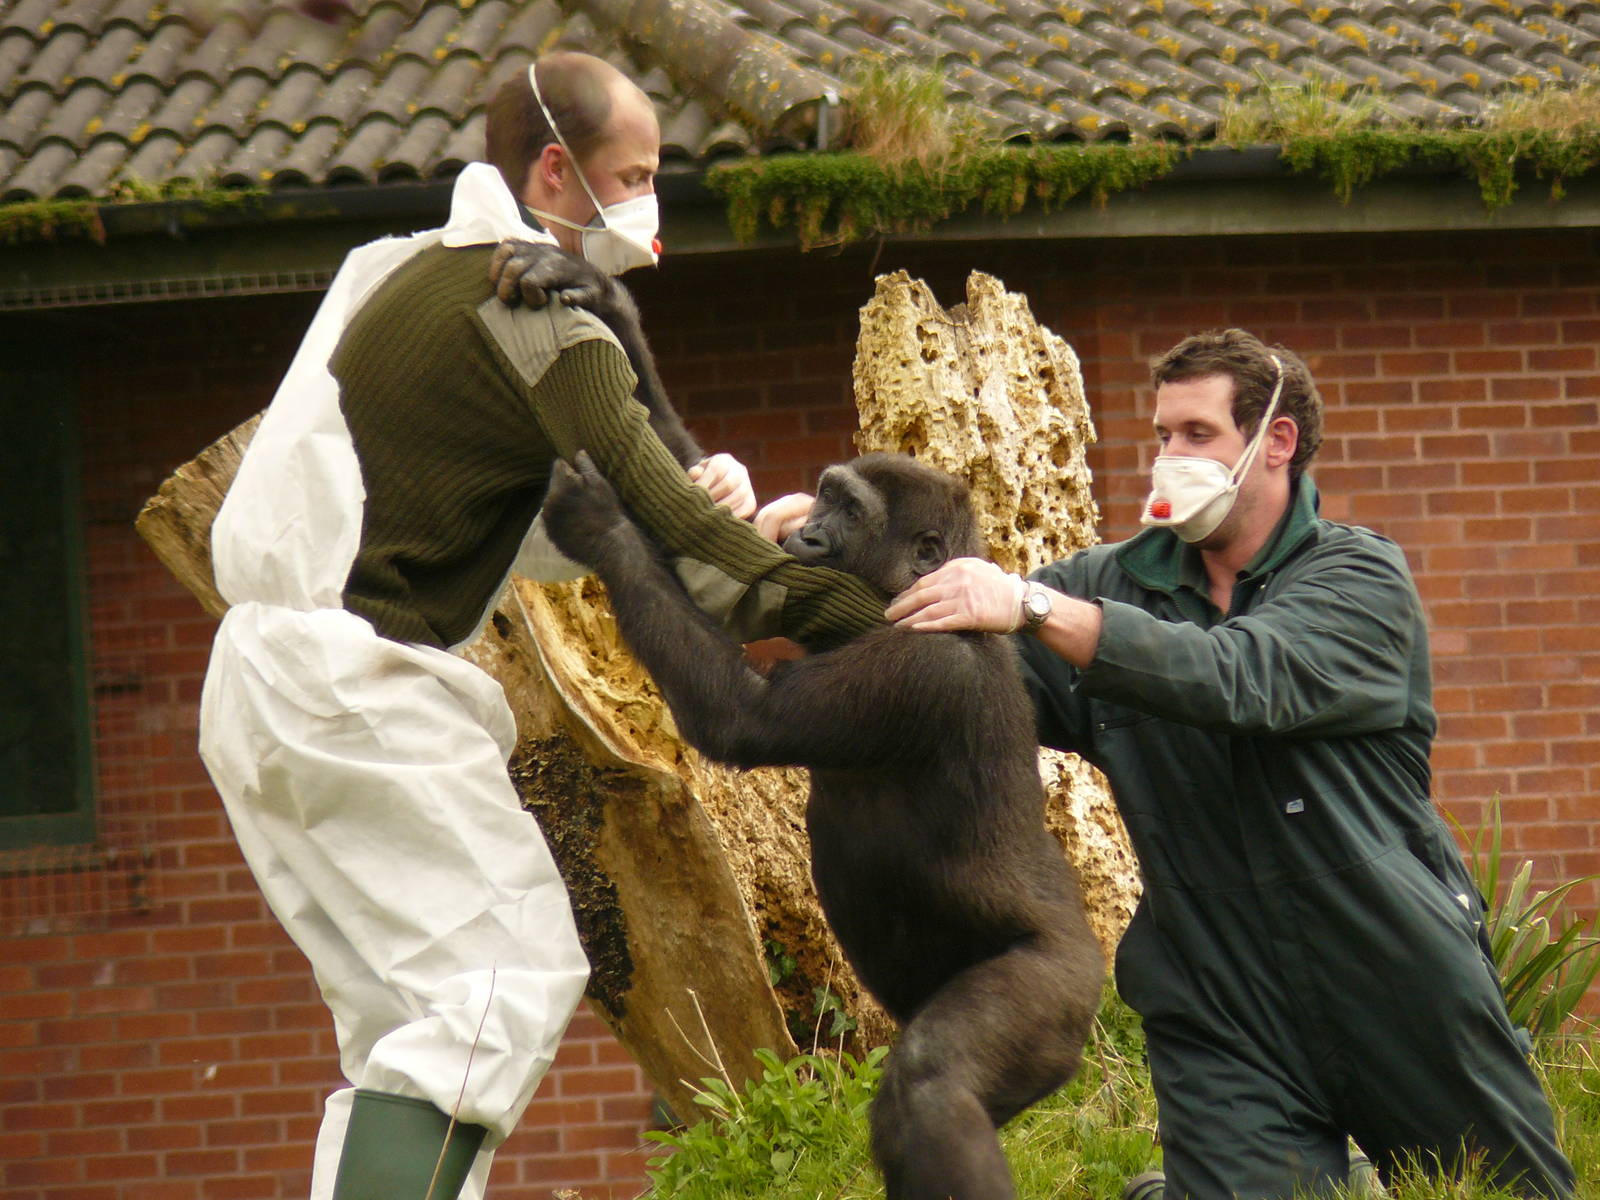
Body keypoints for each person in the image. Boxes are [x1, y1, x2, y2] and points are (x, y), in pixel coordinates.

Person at [198, 51, 882, 1200]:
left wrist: (702, 498)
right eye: (637, 175)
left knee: (408, 1027)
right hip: (355, 685)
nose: (652, 202)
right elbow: (705, 565)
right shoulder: (543, 320)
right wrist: (894, 613)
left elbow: (545, 520)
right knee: (499, 984)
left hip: (268, 679)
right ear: (557, 173)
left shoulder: (416, 272)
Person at [885, 328, 1576, 1200]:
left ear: (1276, 441)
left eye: (1198, 434)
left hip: (1393, 975)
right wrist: (822, 550)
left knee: (1508, 1192)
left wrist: (1032, 604)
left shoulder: (1359, 579)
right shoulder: (1109, 584)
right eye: (1163, 434)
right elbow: (950, 675)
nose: (1170, 456)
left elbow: (1243, 677)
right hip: (1219, 999)